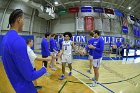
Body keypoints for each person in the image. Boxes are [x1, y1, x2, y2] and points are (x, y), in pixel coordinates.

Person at [1, 9, 46, 93]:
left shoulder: (5, 39)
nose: (24, 23)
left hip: (17, 87)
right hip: (27, 89)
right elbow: (30, 76)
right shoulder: (18, 40)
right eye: (23, 19)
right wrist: (43, 69)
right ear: (19, 19)